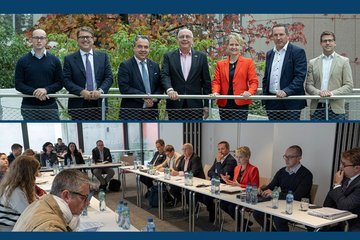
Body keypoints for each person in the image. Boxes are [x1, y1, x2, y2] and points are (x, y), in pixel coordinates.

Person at [253, 145, 313, 231]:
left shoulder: (306, 175)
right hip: (281, 204)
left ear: (299, 158)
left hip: (297, 206)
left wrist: (274, 194)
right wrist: (261, 190)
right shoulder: (282, 171)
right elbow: (271, 186)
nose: (286, 159)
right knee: (257, 213)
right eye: (285, 156)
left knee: (278, 219)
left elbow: (296, 197)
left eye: (290, 157)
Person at [13, 169, 92, 232]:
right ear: (66, 196)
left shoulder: (42, 203)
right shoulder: (51, 228)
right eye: (83, 198)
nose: (88, 203)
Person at [63, 26, 113, 120]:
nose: (85, 39)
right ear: (77, 40)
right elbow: (66, 80)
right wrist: (81, 91)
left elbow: (109, 77)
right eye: (82, 37)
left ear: (93, 39)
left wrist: (100, 91)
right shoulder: (69, 59)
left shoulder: (103, 57)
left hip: (99, 103)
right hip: (78, 104)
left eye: (88, 37)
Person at [161, 28, 211, 120]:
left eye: (187, 36)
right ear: (177, 40)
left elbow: (206, 82)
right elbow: (165, 75)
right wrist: (170, 90)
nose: (184, 39)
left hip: (195, 106)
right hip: (175, 104)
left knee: (195, 131)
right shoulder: (168, 56)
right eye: (181, 37)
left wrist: (207, 105)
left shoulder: (201, 57)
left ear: (192, 40)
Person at [14, 29, 63, 120]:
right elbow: (18, 84)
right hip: (29, 107)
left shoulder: (55, 60)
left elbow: (60, 83)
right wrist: (35, 92)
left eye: (41, 38)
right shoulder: (22, 61)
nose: (39, 40)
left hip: (50, 106)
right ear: (31, 40)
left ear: (46, 40)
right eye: (36, 38)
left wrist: (45, 90)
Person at [262, 24, 307, 120]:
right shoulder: (270, 54)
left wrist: (286, 91)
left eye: (281, 34)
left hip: (290, 101)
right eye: (275, 35)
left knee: (290, 131)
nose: (278, 38)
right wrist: (265, 99)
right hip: (272, 102)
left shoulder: (297, 52)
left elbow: (300, 77)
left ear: (287, 36)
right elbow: (266, 78)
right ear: (272, 37)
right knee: (273, 130)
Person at [305, 31, 353, 120]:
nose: (327, 43)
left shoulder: (344, 61)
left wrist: (331, 93)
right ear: (321, 43)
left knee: (336, 132)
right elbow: (308, 86)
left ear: (335, 43)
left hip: (336, 109)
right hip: (317, 108)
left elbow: (348, 85)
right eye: (325, 41)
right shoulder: (312, 62)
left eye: (330, 40)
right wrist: (319, 93)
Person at [212, 33, 258, 120]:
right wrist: (215, 92)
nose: (234, 47)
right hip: (224, 103)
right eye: (231, 44)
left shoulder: (248, 62)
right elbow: (216, 82)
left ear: (241, 47)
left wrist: (249, 92)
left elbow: (254, 82)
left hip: (241, 101)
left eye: (237, 45)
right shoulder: (220, 64)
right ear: (228, 46)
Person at [118, 35, 163, 120]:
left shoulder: (154, 65)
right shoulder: (125, 65)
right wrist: (144, 97)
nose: (143, 50)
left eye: (146, 47)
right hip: (131, 113)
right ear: (133, 47)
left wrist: (154, 99)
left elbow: (160, 86)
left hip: (151, 112)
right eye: (139, 46)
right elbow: (124, 87)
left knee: (151, 134)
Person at [220, 146, 259, 227]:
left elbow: (255, 187)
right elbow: (235, 183)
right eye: (237, 157)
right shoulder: (237, 168)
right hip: (236, 194)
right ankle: (243, 222)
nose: (238, 160)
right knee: (222, 204)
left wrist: (239, 185)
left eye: (240, 157)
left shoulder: (253, 169)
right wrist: (227, 181)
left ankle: (244, 227)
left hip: (248, 196)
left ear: (247, 157)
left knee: (231, 207)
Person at [323, 147, 360, 231]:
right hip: (340, 222)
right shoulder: (344, 178)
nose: (340, 167)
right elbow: (327, 203)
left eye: (344, 165)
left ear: (357, 168)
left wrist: (337, 185)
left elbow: (344, 205)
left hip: (354, 226)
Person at [0, 155, 40, 231]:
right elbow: (30, 213)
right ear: (28, 173)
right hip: (9, 229)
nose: (37, 174)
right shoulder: (15, 191)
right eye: (36, 170)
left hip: (16, 225)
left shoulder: (21, 186)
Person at [200, 141, 237, 222]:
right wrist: (217, 175)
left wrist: (218, 162)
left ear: (228, 149)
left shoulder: (231, 160)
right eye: (219, 149)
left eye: (222, 149)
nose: (220, 151)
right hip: (214, 184)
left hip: (224, 186)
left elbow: (223, 174)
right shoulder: (218, 159)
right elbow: (209, 172)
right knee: (202, 195)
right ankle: (213, 210)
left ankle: (212, 212)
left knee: (207, 197)